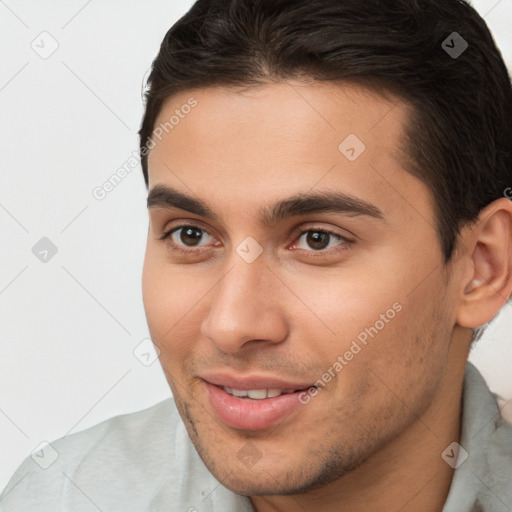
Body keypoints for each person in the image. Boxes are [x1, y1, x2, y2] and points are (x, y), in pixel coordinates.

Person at [2, 0, 512, 510]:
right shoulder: (62, 497)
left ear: (482, 267)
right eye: (191, 236)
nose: (231, 325)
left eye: (318, 239)